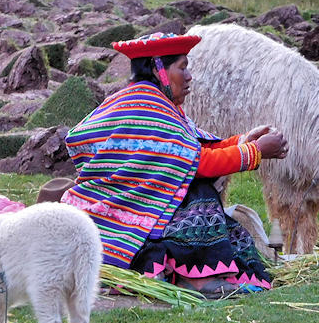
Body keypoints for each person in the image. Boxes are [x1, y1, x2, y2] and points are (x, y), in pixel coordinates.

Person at [60, 32, 289, 298]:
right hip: (124, 214)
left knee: (197, 190)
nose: (189, 76)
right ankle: (199, 279)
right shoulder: (147, 107)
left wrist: (244, 141)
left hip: (134, 209)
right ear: (160, 70)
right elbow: (198, 163)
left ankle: (199, 273)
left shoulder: (154, 103)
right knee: (199, 194)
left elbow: (192, 149)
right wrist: (255, 152)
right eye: (182, 67)